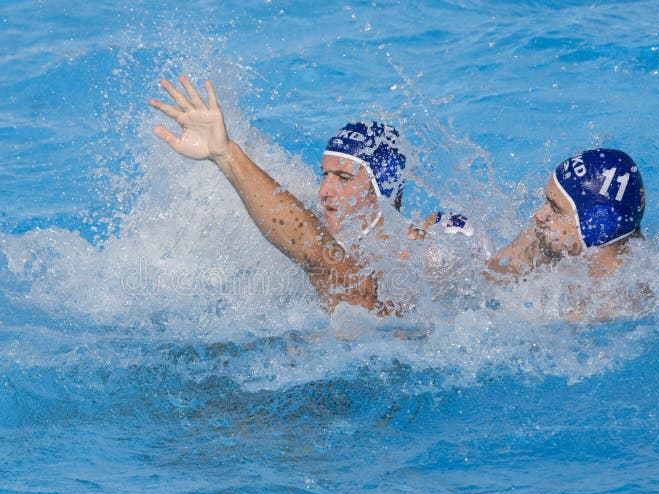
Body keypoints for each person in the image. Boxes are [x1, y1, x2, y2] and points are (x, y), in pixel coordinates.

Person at [148, 75, 471, 315]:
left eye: (343, 178)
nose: (324, 192)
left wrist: (227, 155)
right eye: (324, 175)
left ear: (381, 189)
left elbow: (317, 255)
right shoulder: (328, 231)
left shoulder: (424, 252)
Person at [486, 148, 645, 280]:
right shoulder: (550, 238)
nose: (539, 216)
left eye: (555, 209)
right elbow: (489, 274)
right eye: (546, 203)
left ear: (599, 226)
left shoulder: (610, 311)